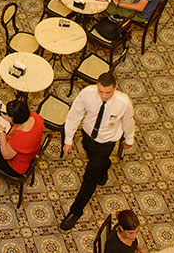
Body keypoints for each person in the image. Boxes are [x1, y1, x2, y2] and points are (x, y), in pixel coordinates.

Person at [58, 72, 135, 229]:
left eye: (108, 92)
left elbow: (128, 121)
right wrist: (68, 140)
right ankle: (104, 167)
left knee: (89, 177)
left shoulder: (123, 102)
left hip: (107, 142)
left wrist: (129, 140)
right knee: (96, 162)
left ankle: (76, 211)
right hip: (88, 136)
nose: (104, 96)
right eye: (101, 91)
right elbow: (74, 116)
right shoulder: (87, 93)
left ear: (116, 88)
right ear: (97, 85)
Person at [0, 99, 45, 189]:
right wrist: (9, 119)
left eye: (9, 115)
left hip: (16, 167)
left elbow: (6, 155)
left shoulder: (21, 137)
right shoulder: (36, 117)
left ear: (15, 119)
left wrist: (2, 133)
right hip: (31, 153)